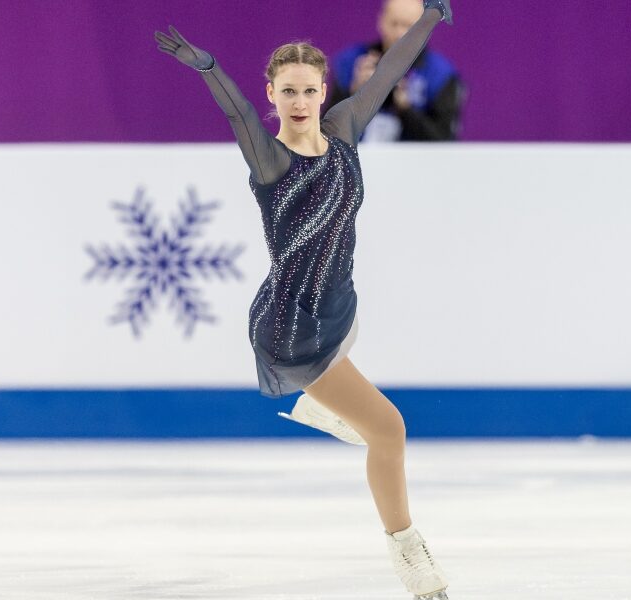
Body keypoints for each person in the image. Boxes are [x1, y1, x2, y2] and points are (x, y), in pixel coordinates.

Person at [154, 2, 453, 599]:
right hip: (293, 331)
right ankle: (408, 554)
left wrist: (429, 18)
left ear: (323, 92)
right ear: (272, 93)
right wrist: (209, 68)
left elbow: (389, 71)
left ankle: (323, 402)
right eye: (287, 91)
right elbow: (238, 114)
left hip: (337, 310)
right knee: (389, 431)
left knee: (355, 325)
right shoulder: (271, 160)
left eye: (309, 90)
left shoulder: (344, 129)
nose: (298, 101)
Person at [325, 0, 463, 142]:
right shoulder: (350, 63)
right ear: (381, 22)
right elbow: (325, 134)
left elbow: (444, 142)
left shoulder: (441, 75)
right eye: (394, 23)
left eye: (409, 26)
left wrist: (405, 109)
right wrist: (353, 93)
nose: (399, 33)